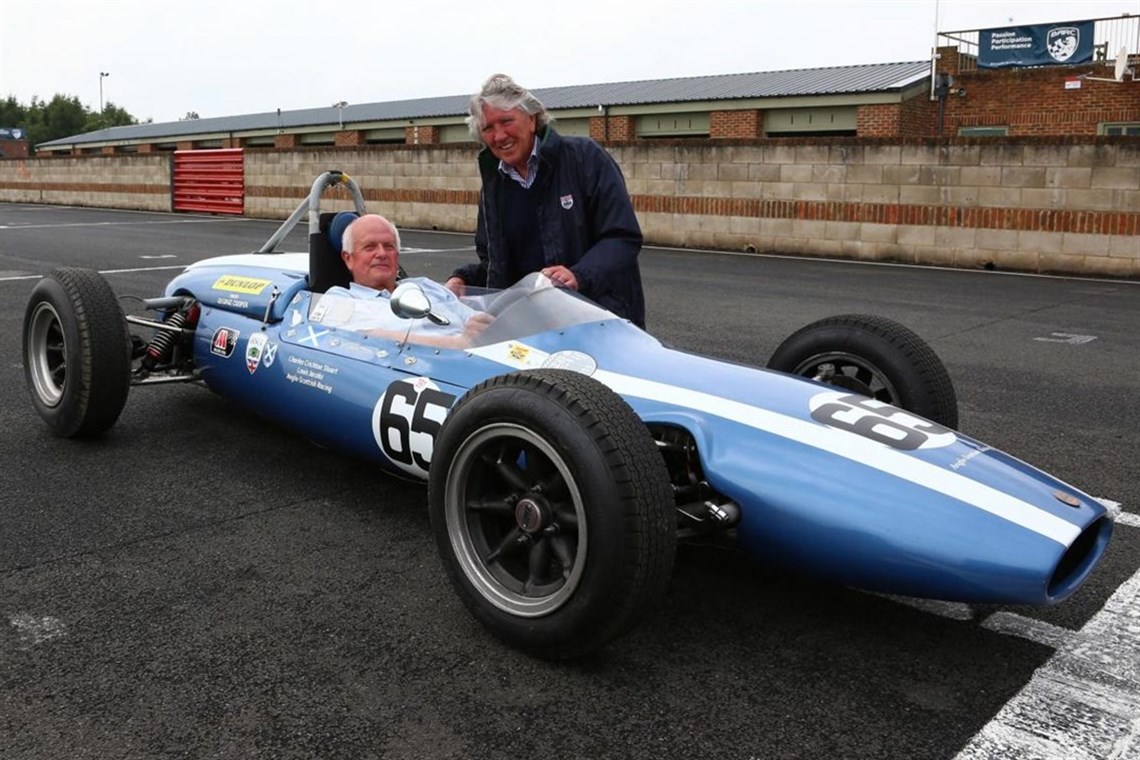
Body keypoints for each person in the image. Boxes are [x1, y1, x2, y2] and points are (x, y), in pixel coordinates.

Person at [445, 73, 647, 329]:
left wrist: (578, 275)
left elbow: (622, 237)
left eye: (506, 121)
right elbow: (496, 262)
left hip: (600, 319)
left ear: (532, 119)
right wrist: (463, 279)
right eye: (488, 128)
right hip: (531, 326)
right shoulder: (495, 183)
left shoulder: (584, 157)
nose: (499, 136)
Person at [322, 214, 492, 348]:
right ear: (348, 259)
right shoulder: (341, 298)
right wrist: (457, 344)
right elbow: (368, 337)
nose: (381, 254)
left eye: (389, 246)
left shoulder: (425, 286)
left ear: (397, 255)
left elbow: (474, 321)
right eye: (370, 247)